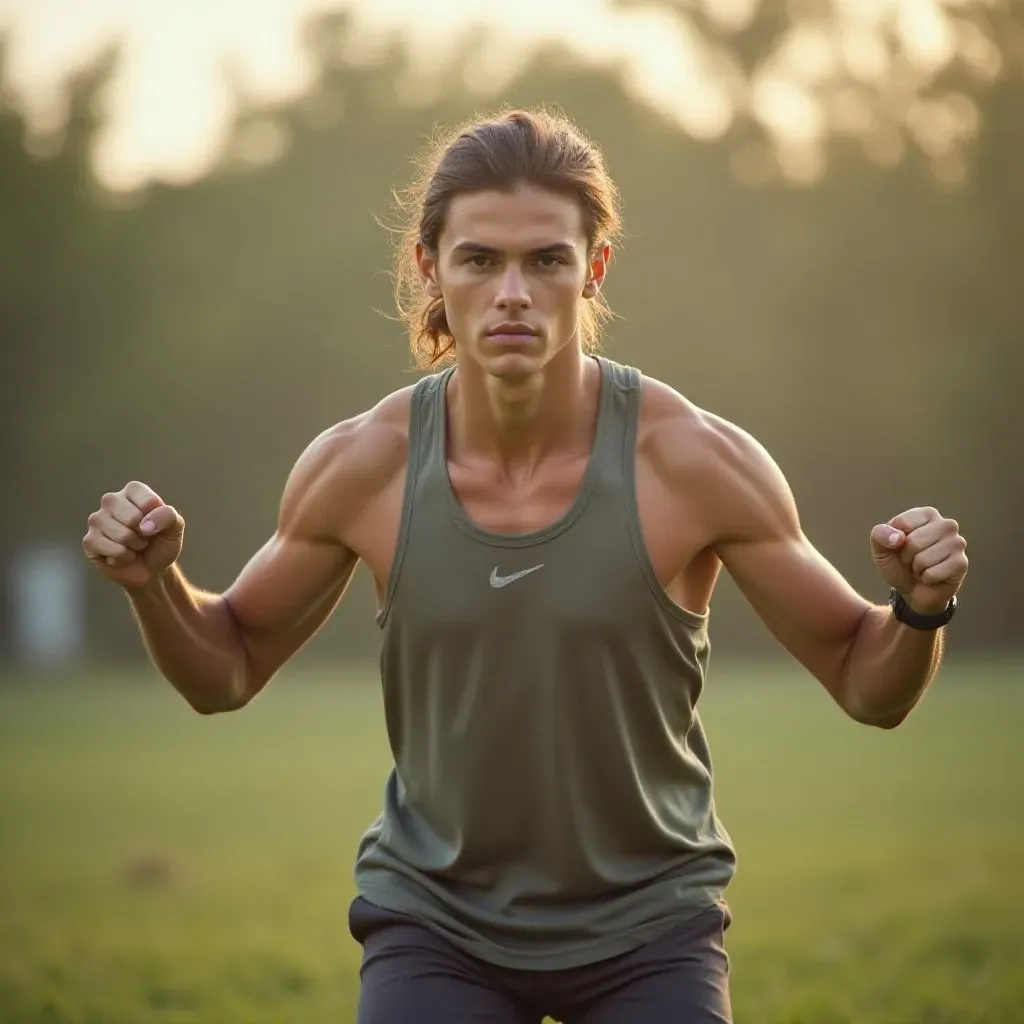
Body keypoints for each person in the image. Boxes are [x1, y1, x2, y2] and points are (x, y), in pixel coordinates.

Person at [81, 109, 969, 1023]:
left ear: (595, 268)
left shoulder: (694, 461)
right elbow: (224, 669)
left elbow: (869, 686)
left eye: (546, 260)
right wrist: (155, 586)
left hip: (651, 930)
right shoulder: (364, 465)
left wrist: (916, 609)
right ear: (431, 267)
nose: (514, 292)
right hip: (435, 926)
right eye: (479, 260)